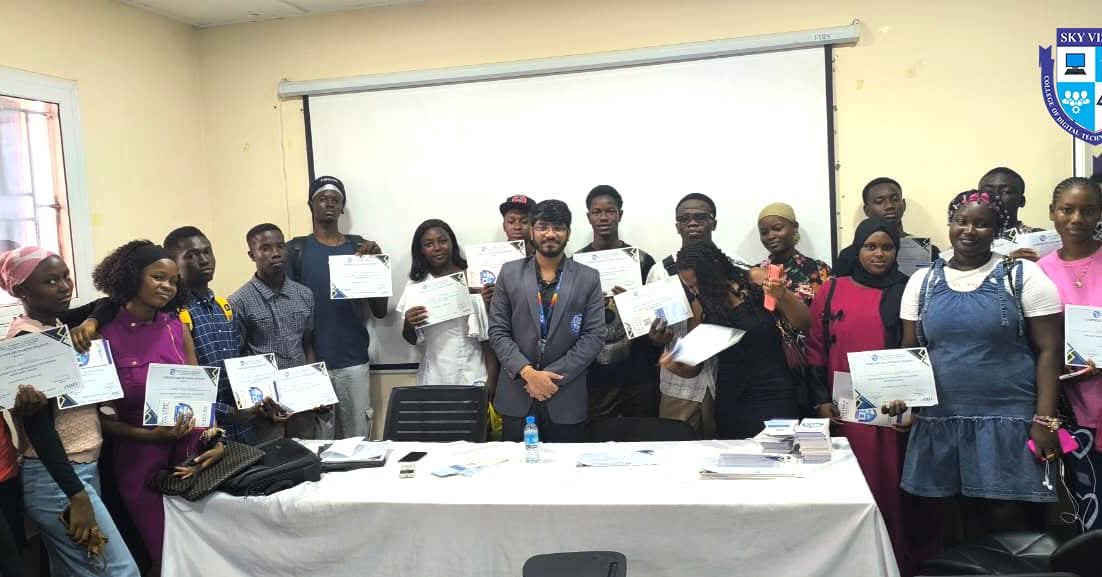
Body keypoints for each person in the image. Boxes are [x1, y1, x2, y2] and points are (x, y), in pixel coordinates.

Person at [890, 190, 1063, 541]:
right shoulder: (922, 281)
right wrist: (902, 402)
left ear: (997, 229)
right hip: (942, 420)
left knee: (1007, 517)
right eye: (961, 221)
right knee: (953, 520)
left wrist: (1044, 420)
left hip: (1007, 421)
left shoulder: (1022, 275)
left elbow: (1050, 350)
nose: (969, 230)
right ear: (950, 224)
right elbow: (911, 350)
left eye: (982, 224)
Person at [0, 248, 139, 577]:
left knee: (75, 570)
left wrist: (89, 323)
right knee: (120, 571)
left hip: (78, 469)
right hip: (58, 479)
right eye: (51, 281)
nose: (64, 286)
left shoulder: (56, 324)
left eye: (65, 276)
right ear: (22, 291)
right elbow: (41, 431)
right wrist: (76, 495)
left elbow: (107, 303)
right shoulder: (28, 341)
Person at [94, 240, 225, 572]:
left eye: (173, 281)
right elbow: (100, 417)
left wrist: (214, 440)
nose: (167, 286)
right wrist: (150, 436)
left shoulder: (177, 328)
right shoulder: (103, 336)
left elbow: (200, 395)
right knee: (164, 555)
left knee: (202, 554)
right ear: (132, 277)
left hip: (191, 460)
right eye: (157, 277)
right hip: (139, 463)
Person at [805, 219, 923, 575]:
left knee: (891, 490)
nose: (879, 254)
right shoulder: (832, 290)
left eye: (887, 247)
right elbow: (816, 348)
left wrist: (909, 402)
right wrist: (820, 400)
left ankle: (892, 563)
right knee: (852, 490)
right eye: (871, 246)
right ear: (857, 249)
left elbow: (917, 348)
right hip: (844, 415)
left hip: (893, 414)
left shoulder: (908, 290)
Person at [660, 241, 811, 439]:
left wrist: (783, 295)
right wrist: (675, 363)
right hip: (732, 394)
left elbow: (804, 322)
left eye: (699, 283)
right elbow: (694, 367)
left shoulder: (755, 279)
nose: (696, 290)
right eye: (690, 287)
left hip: (775, 387)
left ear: (714, 270)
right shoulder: (700, 306)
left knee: (780, 448)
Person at [488, 200, 605, 442]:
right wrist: (528, 373)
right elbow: (498, 331)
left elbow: (594, 337)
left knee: (566, 465)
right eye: (542, 227)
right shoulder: (509, 273)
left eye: (558, 227)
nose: (550, 234)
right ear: (532, 231)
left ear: (568, 232)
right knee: (517, 463)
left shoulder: (588, 277)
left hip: (565, 396)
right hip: (517, 394)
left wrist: (547, 377)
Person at [286, 176, 387, 439]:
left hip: (353, 359)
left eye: (335, 199)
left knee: (359, 439)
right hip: (311, 362)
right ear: (311, 205)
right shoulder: (296, 249)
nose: (329, 204)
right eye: (322, 199)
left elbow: (380, 310)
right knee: (319, 441)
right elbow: (288, 310)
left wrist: (376, 266)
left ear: (342, 207)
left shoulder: (360, 247)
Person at [647, 193, 747, 437]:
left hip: (730, 382)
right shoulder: (661, 271)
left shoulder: (737, 267)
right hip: (679, 387)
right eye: (685, 219)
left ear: (714, 223)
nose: (692, 223)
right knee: (675, 449)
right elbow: (649, 328)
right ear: (677, 226)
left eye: (701, 217)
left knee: (730, 448)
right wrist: (656, 338)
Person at [1036, 177, 1102, 532]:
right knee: (1085, 508)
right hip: (1068, 408)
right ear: (1052, 213)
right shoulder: (1038, 272)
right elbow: (1034, 342)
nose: (1077, 218)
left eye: (1088, 210)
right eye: (1067, 209)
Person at [230, 223, 330, 441]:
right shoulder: (238, 301)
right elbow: (238, 357)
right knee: (271, 458)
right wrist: (255, 405)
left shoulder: (304, 294)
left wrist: (317, 389)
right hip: (265, 408)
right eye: (265, 248)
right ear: (252, 255)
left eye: (280, 246)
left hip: (302, 401)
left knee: (306, 454)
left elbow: (307, 344)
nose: (275, 253)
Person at [163, 226, 257, 443]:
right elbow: (182, 383)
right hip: (204, 432)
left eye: (207, 251)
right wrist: (227, 412)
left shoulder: (224, 307)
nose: (204, 260)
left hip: (243, 428)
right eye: (191, 256)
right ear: (174, 264)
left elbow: (239, 363)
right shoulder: (173, 316)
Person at [574, 185, 658, 419]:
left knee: (641, 433)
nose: (603, 217)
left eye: (610, 211)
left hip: (637, 366)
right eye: (597, 211)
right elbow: (568, 316)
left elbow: (656, 312)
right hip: (594, 369)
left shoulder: (642, 261)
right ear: (588, 217)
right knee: (597, 433)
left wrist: (632, 304)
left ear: (620, 214)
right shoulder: (575, 263)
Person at [399, 219, 496, 393]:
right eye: (429, 244)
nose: (437, 248)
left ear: (452, 243)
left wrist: (492, 378)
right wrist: (409, 323)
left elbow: (488, 335)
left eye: (443, 241)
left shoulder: (474, 277)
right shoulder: (417, 286)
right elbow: (412, 339)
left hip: (475, 369)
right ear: (421, 250)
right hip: (435, 374)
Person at [834, 178, 941, 271]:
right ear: (867, 210)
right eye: (879, 202)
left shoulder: (924, 251)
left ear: (903, 205)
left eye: (895, 200)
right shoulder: (850, 255)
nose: (889, 206)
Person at [757, 202, 831, 306]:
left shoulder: (819, 270)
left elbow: (833, 310)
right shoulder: (756, 273)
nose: (770, 236)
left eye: (777, 228)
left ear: (795, 227)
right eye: (764, 232)